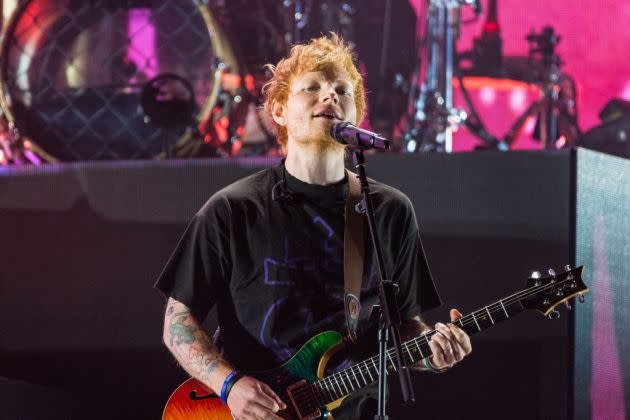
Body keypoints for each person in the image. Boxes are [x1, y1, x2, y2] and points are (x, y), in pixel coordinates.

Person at [156, 34, 472, 420]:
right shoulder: (233, 209)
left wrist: (433, 350)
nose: (330, 97)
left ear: (357, 115)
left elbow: (404, 325)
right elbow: (178, 322)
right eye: (312, 88)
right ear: (278, 111)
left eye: (342, 90)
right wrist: (229, 385)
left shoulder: (388, 210)